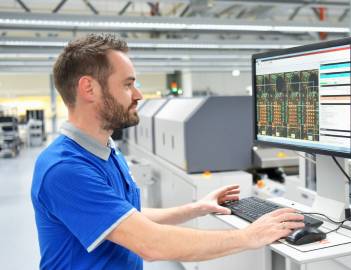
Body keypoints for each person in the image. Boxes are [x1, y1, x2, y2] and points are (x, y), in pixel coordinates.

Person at [31, 33, 304, 270]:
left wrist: (196, 208)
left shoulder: (105, 149)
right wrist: (250, 237)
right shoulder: (65, 169)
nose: (138, 95)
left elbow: (128, 217)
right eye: (127, 84)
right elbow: (151, 243)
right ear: (88, 88)